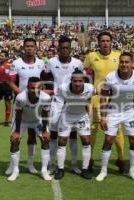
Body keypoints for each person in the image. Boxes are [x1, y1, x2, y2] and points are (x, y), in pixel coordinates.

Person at [96, 52, 134, 181]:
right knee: (108, 140)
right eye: (122, 62)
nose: (124, 64)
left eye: (127, 62)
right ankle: (103, 170)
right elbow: (103, 98)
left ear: (131, 63)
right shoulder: (110, 77)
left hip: (129, 112)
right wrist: (102, 116)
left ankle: (132, 171)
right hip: (113, 111)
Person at [84, 32, 125, 172]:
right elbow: (85, 75)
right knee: (94, 129)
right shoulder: (91, 56)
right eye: (103, 41)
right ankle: (88, 159)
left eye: (108, 41)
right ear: (98, 42)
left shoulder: (118, 56)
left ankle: (120, 158)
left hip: (115, 98)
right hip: (96, 98)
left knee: (117, 130)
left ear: (111, 42)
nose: (105, 43)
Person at [44, 36, 85, 174]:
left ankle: (73, 164)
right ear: (58, 49)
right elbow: (45, 78)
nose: (65, 50)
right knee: (54, 134)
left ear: (71, 49)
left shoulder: (78, 63)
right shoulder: (51, 62)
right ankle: (52, 163)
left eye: (67, 48)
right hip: (57, 102)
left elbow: (81, 81)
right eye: (62, 48)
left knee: (73, 135)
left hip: (73, 101)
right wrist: (50, 91)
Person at [7, 37, 45, 175]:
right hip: (20, 103)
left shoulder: (41, 63)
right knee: (15, 136)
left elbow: (45, 81)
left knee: (32, 135)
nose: (29, 48)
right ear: (23, 48)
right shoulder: (16, 63)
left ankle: (30, 165)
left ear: (36, 48)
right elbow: (10, 82)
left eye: (32, 46)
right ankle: (13, 166)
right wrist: (22, 94)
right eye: (27, 46)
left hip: (36, 105)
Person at [52, 69, 95, 180]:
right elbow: (57, 103)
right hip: (67, 116)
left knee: (86, 140)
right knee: (62, 141)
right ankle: (60, 169)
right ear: (71, 80)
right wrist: (54, 119)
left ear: (84, 81)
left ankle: (85, 169)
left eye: (80, 81)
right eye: (75, 81)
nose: (77, 83)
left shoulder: (90, 88)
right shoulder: (63, 88)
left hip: (81, 116)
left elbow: (102, 92)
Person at [7, 77, 51, 181]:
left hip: (37, 120)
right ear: (27, 87)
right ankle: (15, 170)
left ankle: (42, 170)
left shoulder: (46, 98)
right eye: (32, 88)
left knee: (45, 140)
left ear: (41, 87)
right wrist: (17, 132)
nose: (35, 90)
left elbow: (45, 114)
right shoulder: (21, 97)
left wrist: (44, 131)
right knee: (14, 140)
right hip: (22, 120)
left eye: (38, 88)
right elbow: (18, 114)